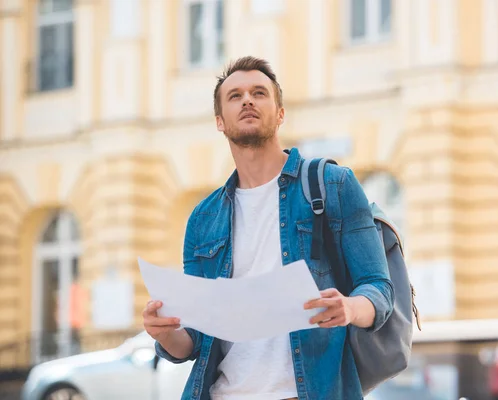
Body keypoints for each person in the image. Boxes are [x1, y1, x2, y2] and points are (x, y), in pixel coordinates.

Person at [142, 56, 394, 400]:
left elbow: (379, 289)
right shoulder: (202, 219)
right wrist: (164, 333)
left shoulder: (333, 185)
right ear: (219, 121)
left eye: (259, 92)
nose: (247, 100)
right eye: (235, 96)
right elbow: (197, 342)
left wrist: (349, 308)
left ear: (280, 113)